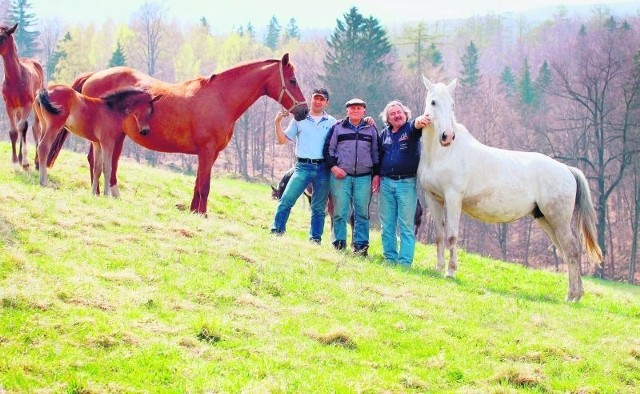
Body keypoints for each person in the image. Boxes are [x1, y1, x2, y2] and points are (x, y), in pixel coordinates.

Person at [270, 88, 337, 244]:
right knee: (286, 199)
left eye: (322, 99)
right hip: (302, 167)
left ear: (326, 103)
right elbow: (282, 140)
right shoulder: (299, 119)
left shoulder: (332, 122)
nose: (318, 101)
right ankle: (277, 231)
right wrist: (277, 122)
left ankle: (315, 239)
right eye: (316, 98)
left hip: (323, 169)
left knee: (318, 208)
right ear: (311, 99)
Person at [372, 100, 431, 266]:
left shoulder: (411, 130)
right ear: (388, 119)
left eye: (400, 112)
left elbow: (417, 124)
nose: (397, 115)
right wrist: (376, 175)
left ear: (405, 114)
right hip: (386, 184)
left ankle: (405, 263)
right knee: (387, 225)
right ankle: (390, 259)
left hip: (406, 184)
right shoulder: (384, 134)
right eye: (393, 114)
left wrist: (420, 120)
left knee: (406, 225)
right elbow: (378, 158)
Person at [323, 98, 379, 256]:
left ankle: (361, 246)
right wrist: (334, 167)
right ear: (347, 110)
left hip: (364, 177)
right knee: (340, 211)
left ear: (364, 111)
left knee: (362, 212)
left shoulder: (371, 129)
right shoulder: (338, 127)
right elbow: (328, 149)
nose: (355, 110)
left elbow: (376, 153)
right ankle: (339, 243)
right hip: (341, 176)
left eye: (359, 108)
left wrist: (376, 175)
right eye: (352, 108)